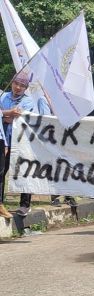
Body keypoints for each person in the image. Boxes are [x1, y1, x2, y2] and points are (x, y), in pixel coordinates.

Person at [0, 73, 33, 219]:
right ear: (12, 82)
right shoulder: (3, 96)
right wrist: (8, 114)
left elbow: (17, 118)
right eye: (16, 84)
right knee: (2, 171)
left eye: (22, 85)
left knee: (24, 171)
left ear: (26, 88)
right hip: (4, 140)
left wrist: (5, 115)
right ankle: (0, 203)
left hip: (21, 141)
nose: (18, 87)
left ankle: (25, 205)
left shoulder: (28, 101)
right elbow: (6, 116)